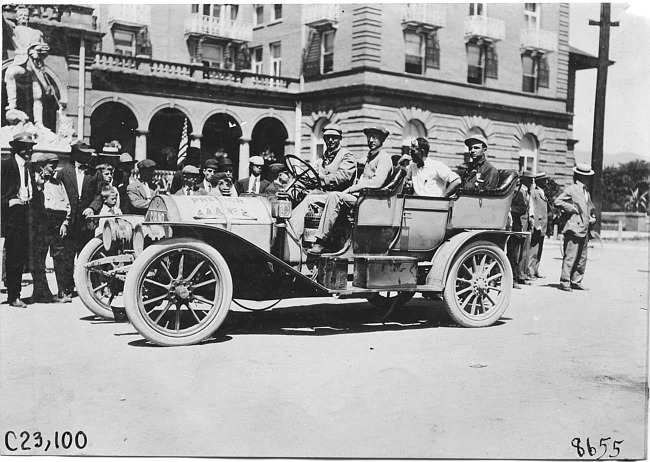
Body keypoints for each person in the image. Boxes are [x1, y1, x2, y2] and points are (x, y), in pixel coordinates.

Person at [309, 126, 393, 255]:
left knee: (335, 196)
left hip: (372, 201)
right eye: (369, 137)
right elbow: (352, 162)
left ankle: (321, 241)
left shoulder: (384, 158)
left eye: (375, 137)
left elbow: (377, 182)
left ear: (382, 140)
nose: (371, 140)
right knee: (316, 197)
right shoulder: (370, 157)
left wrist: (351, 189)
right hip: (363, 199)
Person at [287, 123, 356, 241]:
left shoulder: (346, 156)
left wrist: (322, 178)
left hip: (339, 197)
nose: (330, 140)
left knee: (310, 199)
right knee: (295, 194)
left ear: (340, 139)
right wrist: (300, 183)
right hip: (325, 195)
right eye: (327, 137)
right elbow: (313, 173)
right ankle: (294, 233)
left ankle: (291, 236)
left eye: (334, 137)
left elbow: (343, 177)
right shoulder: (323, 158)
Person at [29, 152, 73, 303]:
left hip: (57, 223)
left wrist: (65, 223)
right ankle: (41, 292)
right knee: (38, 258)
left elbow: (67, 205)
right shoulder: (35, 182)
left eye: (55, 165)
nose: (53, 168)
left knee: (59, 257)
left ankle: (62, 291)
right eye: (50, 165)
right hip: (41, 222)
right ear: (42, 166)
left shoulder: (58, 183)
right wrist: (39, 186)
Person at [1, 132, 37, 307]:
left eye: (30, 147)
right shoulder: (6, 165)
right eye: (24, 148)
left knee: (21, 256)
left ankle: (16, 293)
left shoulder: (29, 168)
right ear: (16, 148)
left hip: (26, 214)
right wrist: (9, 201)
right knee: (13, 255)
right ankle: (13, 295)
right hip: (12, 216)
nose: (28, 151)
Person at [3, 5, 50, 126]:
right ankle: (12, 106)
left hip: (34, 65)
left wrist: (38, 53)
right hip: (21, 62)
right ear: (17, 18)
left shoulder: (36, 33)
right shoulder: (14, 29)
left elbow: (45, 49)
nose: (24, 18)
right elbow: (4, 21)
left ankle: (39, 122)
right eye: (21, 16)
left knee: (38, 94)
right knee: (10, 73)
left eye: (26, 16)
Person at [554, 163, 596, 292]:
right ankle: (565, 281)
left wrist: (591, 217)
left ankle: (576, 280)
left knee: (582, 257)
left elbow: (588, 207)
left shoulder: (586, 192)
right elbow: (558, 201)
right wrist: (571, 209)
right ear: (581, 176)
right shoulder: (572, 189)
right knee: (570, 255)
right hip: (573, 228)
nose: (589, 179)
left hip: (585, 228)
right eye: (587, 176)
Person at [507, 173, 533, 288]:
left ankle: (514, 279)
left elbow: (523, 209)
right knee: (507, 254)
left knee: (514, 255)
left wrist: (509, 209)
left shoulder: (519, 194)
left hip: (515, 228)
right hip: (506, 227)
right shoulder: (507, 194)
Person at [527, 172, 550, 280]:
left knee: (539, 248)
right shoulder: (534, 192)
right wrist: (536, 224)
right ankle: (530, 271)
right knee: (534, 248)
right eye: (543, 180)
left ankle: (536, 270)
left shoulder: (542, 192)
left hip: (543, 224)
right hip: (538, 225)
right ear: (539, 181)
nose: (545, 182)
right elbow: (534, 209)